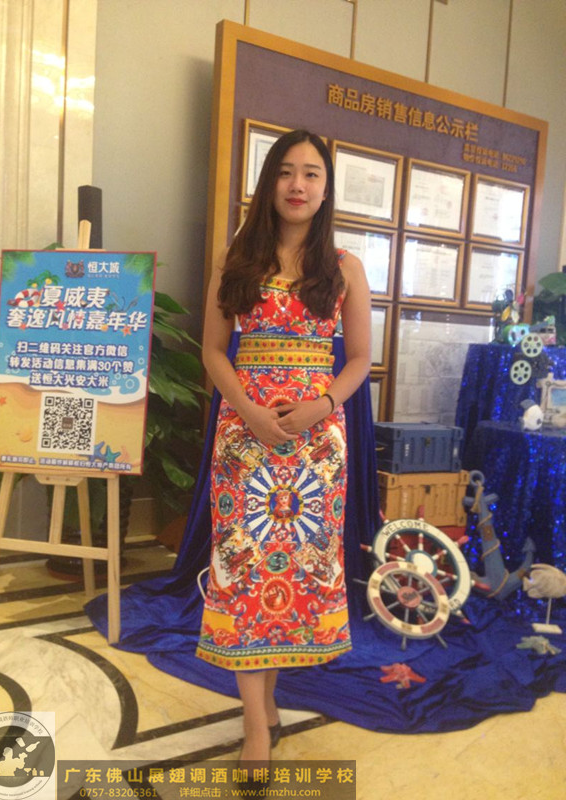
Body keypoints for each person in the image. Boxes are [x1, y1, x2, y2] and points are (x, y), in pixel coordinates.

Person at [196, 129, 371, 767]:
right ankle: (256, 726)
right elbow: (214, 350)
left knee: (292, 575)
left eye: (312, 174)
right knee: (245, 569)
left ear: (325, 190)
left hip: (316, 447)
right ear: (269, 181)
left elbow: (360, 360)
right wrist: (248, 410)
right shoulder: (235, 260)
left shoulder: (345, 267)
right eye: (287, 171)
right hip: (244, 440)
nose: (299, 185)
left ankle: (267, 701)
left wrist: (321, 406)